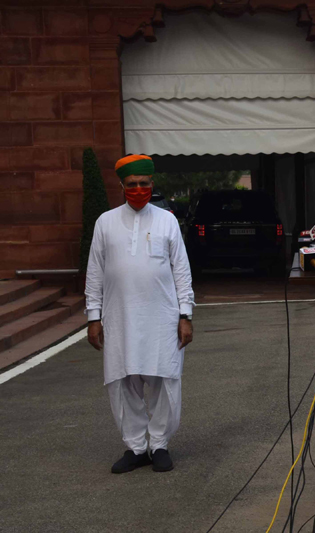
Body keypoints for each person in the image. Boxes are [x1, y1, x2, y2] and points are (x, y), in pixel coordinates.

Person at [85, 154, 195, 473]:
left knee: (164, 380)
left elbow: (181, 271)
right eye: (131, 184)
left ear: (152, 184)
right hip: (119, 318)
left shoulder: (167, 220)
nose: (138, 189)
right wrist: (94, 317)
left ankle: (159, 445)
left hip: (163, 317)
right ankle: (135, 447)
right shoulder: (105, 222)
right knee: (123, 381)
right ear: (122, 186)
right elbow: (95, 272)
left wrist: (185, 314)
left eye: (143, 184)